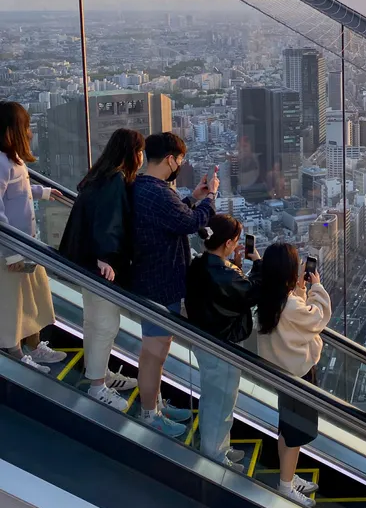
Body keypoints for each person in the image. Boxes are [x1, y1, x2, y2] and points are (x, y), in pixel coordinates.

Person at [130, 132, 218, 436]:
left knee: (155, 351)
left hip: (149, 277)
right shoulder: (158, 192)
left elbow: (171, 216)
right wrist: (210, 199)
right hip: (159, 281)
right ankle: (149, 414)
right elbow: (191, 223)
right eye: (180, 159)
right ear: (170, 159)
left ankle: (154, 403)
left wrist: (193, 198)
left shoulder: (144, 187)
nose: (180, 164)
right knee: (154, 353)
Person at [60, 128, 144, 409]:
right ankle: (98, 387)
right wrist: (105, 257)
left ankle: (98, 373)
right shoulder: (115, 181)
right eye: (140, 151)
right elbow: (108, 225)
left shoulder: (99, 175)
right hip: (101, 266)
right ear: (132, 154)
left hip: (84, 260)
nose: (142, 157)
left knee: (93, 320)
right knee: (106, 323)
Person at [256, 242, 331, 508]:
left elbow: (292, 315)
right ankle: (286, 487)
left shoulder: (268, 296)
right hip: (297, 375)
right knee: (294, 431)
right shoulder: (288, 305)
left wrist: (298, 289)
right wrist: (316, 288)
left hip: (281, 373)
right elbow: (318, 318)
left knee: (286, 428)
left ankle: (288, 477)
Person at [185, 214, 261, 472]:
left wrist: (235, 264)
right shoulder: (223, 273)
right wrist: (257, 263)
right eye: (236, 241)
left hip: (205, 339)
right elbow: (250, 292)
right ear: (228, 242)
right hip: (222, 344)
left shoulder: (200, 263)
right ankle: (214, 455)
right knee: (222, 400)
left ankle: (220, 446)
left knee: (214, 397)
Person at [0, 101, 67, 373]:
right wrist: (10, 253)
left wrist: (44, 192)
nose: (29, 132)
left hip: (25, 246)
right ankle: (14, 351)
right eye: (25, 127)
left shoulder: (12, 159)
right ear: (10, 131)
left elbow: (21, 191)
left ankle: (35, 344)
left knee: (34, 295)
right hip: (11, 251)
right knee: (13, 302)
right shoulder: (1, 162)